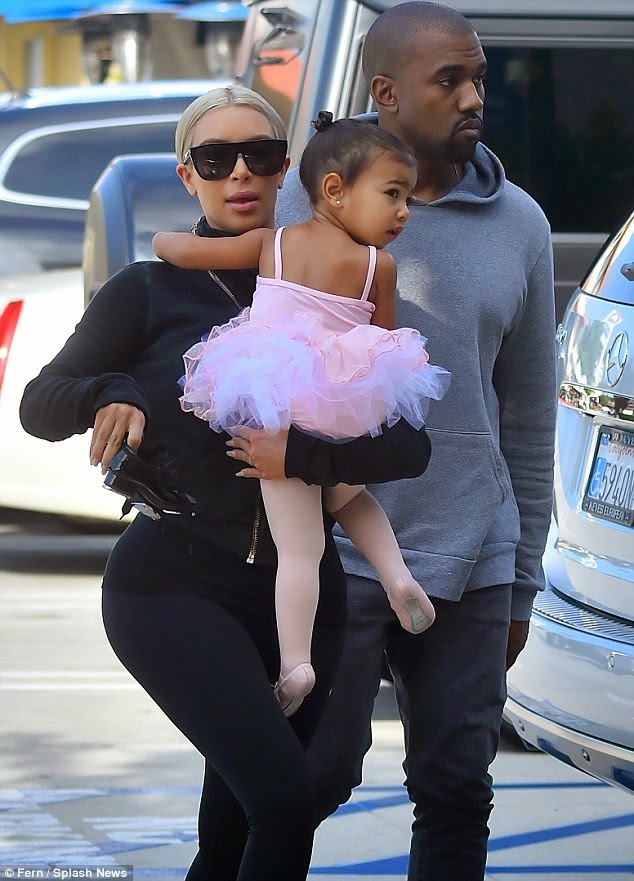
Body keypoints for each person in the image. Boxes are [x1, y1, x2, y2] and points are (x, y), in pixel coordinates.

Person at [18, 85, 433, 881]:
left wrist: (299, 455)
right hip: (172, 582)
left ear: (287, 170)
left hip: (299, 596)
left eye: (259, 155)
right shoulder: (148, 288)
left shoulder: (341, 274)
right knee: (284, 799)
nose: (239, 173)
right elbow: (40, 402)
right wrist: (109, 392)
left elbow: (409, 445)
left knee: (239, 829)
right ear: (187, 176)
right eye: (215, 159)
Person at [273, 3, 557, 879]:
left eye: (479, 78)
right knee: (306, 779)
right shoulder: (311, 200)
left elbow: (529, 411)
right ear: (386, 94)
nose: (475, 97)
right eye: (449, 81)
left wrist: (522, 576)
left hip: (474, 555)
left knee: (457, 790)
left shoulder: (522, 224)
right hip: (339, 545)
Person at [152, 112, 449, 716]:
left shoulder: (275, 243)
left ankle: (295, 664)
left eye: (405, 199)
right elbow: (384, 343)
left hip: (274, 398)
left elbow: (188, 251)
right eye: (393, 195)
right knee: (349, 500)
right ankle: (398, 577)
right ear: (335, 190)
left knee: (299, 549)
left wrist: (159, 240)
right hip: (342, 404)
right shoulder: (378, 267)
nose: (403, 213)